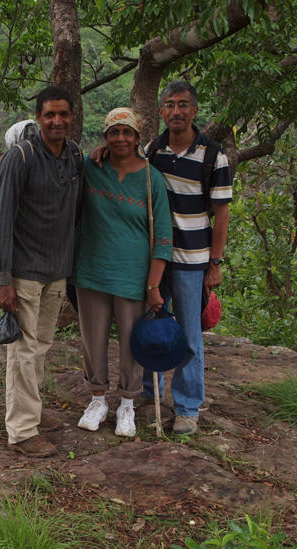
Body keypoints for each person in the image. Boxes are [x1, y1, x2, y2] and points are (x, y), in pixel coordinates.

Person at [93, 81, 232, 435]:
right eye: (169, 105)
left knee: (188, 334)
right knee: (152, 327)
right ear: (161, 112)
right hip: (155, 259)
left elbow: (222, 215)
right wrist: (103, 151)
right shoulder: (154, 151)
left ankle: (187, 407)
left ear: (194, 110)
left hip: (191, 258)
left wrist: (214, 263)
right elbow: (125, 158)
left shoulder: (213, 156)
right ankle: (146, 392)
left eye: (183, 105)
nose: (176, 112)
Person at [0, 86, 83, 458]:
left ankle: (33, 411)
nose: (56, 121)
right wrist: (3, 279)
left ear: (71, 117)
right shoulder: (20, 157)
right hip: (25, 270)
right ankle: (23, 431)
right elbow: (2, 220)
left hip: (56, 269)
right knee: (24, 350)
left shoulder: (73, 155)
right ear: (39, 117)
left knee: (41, 345)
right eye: (49, 115)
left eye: (63, 114)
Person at [74, 108, 172, 437]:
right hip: (91, 271)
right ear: (105, 137)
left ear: (137, 137)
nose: (120, 139)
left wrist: (153, 284)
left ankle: (127, 405)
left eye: (127, 133)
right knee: (93, 339)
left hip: (133, 276)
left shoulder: (150, 178)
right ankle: (98, 399)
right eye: (113, 133)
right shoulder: (91, 168)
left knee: (132, 343)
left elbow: (163, 238)